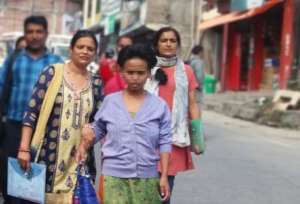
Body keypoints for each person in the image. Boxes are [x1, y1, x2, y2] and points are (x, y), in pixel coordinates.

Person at [76, 44, 172, 204]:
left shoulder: (159, 106)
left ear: (149, 73)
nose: (135, 77)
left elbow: (165, 142)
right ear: (121, 72)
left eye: (141, 73)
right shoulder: (110, 102)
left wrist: (163, 176)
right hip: (113, 180)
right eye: (130, 72)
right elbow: (97, 131)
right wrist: (86, 137)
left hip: (147, 179)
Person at [17, 30, 103, 204]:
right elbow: (31, 111)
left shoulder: (96, 82)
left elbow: (100, 121)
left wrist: (91, 132)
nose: (85, 51)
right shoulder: (52, 73)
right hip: (47, 156)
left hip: (80, 158)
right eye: (80, 47)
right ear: (71, 49)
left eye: (90, 48)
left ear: (95, 53)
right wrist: (24, 148)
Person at [0, 15, 63, 204]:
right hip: (14, 125)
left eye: (39, 31)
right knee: (11, 174)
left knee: (39, 176)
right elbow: (2, 87)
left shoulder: (56, 62)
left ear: (46, 34)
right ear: (25, 34)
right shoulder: (13, 60)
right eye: (30, 32)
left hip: (45, 129)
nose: (34, 36)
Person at [144, 26, 203, 204]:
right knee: (144, 191)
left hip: (173, 139)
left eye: (172, 41)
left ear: (177, 45)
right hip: (146, 137)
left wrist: (197, 139)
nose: (168, 44)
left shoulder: (186, 71)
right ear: (156, 44)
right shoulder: (146, 69)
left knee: (165, 193)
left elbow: (192, 104)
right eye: (164, 40)